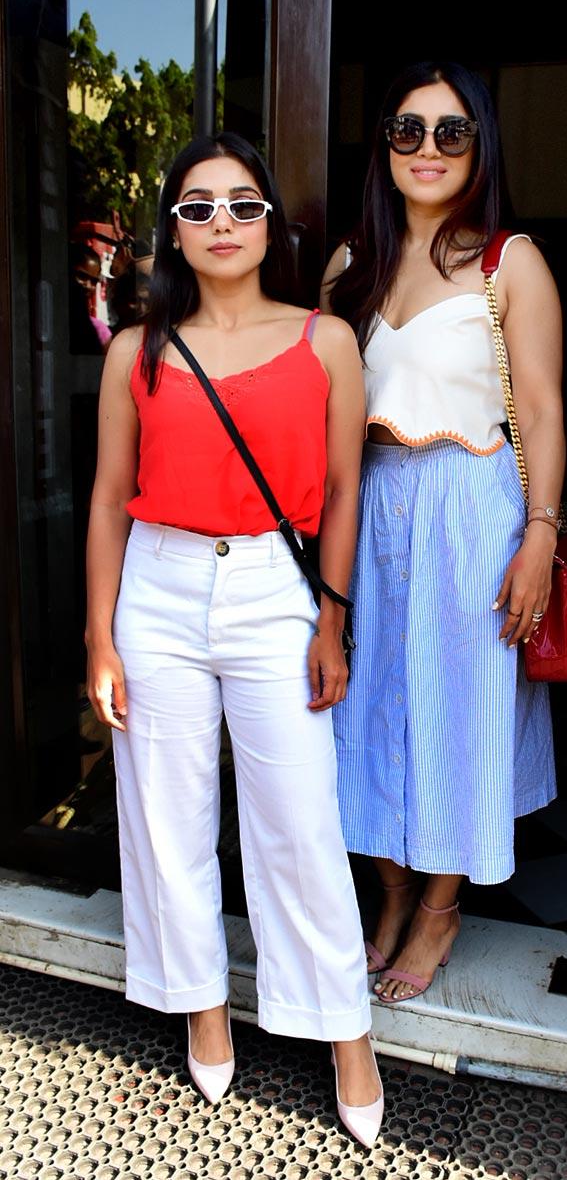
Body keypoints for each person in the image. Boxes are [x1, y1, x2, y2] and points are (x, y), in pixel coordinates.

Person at [85, 131, 383, 1145]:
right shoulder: (138, 349)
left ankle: (345, 1029)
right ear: (172, 228)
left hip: (272, 584)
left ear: (272, 224)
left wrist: (331, 619)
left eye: (242, 203)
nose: (222, 221)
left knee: (297, 821)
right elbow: (109, 501)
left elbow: (344, 492)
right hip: (158, 585)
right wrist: (99, 635)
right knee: (166, 816)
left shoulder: (323, 340)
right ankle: (203, 1007)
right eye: (199, 205)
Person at [322, 61, 564, 1004]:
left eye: (451, 132)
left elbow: (541, 410)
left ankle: (438, 910)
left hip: (471, 504)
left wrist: (539, 533)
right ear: (384, 146)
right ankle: (389, 891)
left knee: (459, 708)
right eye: (408, 131)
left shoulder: (510, 260)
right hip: (372, 501)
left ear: (480, 146)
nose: (428, 149)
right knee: (367, 704)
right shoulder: (352, 263)